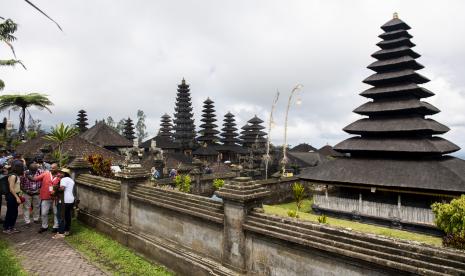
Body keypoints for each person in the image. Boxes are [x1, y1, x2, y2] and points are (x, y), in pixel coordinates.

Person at [31, 163, 61, 233]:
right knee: (44, 213)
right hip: (46, 196)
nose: (51, 169)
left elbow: (62, 185)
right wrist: (29, 175)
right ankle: (44, 226)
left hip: (56, 197)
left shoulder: (60, 176)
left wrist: (56, 190)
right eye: (51, 167)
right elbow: (36, 179)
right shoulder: (46, 173)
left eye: (53, 168)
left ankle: (56, 226)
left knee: (56, 213)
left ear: (57, 168)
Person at [2, 162, 24, 234]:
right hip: (12, 196)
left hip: (15, 195)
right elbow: (11, 188)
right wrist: (17, 197)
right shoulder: (13, 176)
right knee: (10, 212)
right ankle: (6, 228)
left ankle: (11, 227)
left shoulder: (16, 176)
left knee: (14, 212)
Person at [54, 168, 74, 239]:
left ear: (65, 174)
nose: (60, 174)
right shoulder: (71, 180)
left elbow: (62, 188)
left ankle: (61, 233)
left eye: (61, 172)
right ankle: (67, 230)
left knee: (60, 216)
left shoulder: (63, 179)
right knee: (67, 216)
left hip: (63, 201)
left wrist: (56, 189)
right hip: (70, 200)